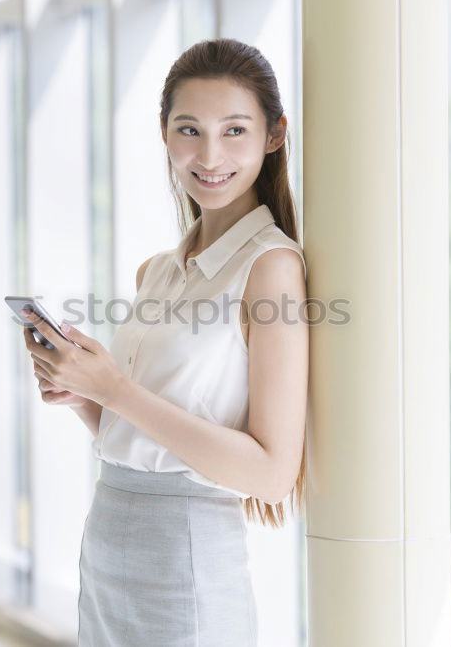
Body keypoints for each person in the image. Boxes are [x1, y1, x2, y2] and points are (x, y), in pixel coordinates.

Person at [21, 37, 308, 647]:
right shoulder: (158, 270)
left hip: (188, 561)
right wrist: (86, 396)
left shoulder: (270, 266)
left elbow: (271, 474)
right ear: (163, 133)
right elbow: (147, 435)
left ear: (275, 134)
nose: (210, 155)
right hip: (109, 543)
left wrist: (116, 391)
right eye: (189, 130)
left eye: (235, 130)